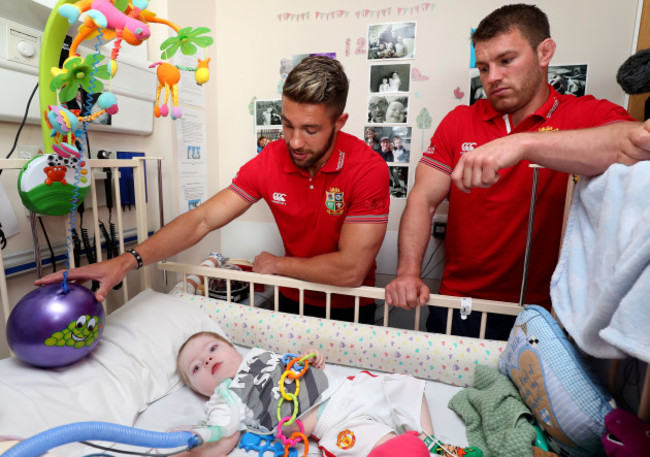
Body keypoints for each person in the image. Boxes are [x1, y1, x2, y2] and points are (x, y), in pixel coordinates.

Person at [36, 56, 390, 325]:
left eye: (311, 130)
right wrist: (128, 260)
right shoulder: (270, 160)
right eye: (287, 124)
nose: (295, 141)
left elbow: (350, 270)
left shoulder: (367, 168)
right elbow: (203, 220)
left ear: (339, 123)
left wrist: (277, 264)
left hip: (347, 309)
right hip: (289, 299)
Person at [384, 4, 639, 339]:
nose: (493, 78)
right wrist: (407, 272)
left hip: (550, 312)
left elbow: (634, 144)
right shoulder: (459, 121)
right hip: (461, 304)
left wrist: (523, 145)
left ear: (545, 52)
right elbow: (422, 199)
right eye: (484, 68)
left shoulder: (583, 114)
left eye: (506, 61)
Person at [175, 331, 482, 457]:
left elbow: (290, 364)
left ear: (231, 347)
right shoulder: (225, 400)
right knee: (370, 444)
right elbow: (225, 436)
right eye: (196, 368)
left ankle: (427, 439)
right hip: (330, 424)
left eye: (212, 348)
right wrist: (193, 448)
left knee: (401, 385)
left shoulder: (256, 355)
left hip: (347, 388)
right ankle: (408, 448)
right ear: (198, 390)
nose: (207, 359)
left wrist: (307, 355)